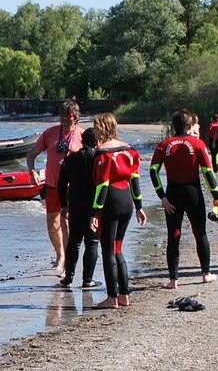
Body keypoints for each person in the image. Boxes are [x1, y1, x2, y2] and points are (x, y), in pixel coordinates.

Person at [149, 110, 218, 288]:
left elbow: (153, 171)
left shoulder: (164, 144)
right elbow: (208, 173)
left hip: (172, 194)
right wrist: (216, 197)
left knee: (174, 235)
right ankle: (205, 274)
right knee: (200, 233)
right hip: (193, 193)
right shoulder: (197, 144)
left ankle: (173, 280)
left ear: (174, 126)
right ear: (190, 126)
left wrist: (162, 197)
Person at [90, 114, 146, 309]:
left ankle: (111, 298)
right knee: (118, 249)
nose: (94, 130)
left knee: (108, 251)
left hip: (110, 203)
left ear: (103, 128)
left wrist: (96, 213)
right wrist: (139, 207)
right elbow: (135, 180)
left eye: (96, 127)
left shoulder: (102, 153)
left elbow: (102, 185)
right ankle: (124, 295)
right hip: (127, 203)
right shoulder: (129, 150)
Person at [25, 101, 83, 274]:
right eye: (62, 117)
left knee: (66, 223)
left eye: (69, 118)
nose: (65, 121)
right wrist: (32, 172)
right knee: (52, 225)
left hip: (73, 188)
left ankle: (67, 262)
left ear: (76, 117)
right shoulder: (50, 133)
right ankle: (60, 255)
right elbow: (31, 155)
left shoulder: (81, 135)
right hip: (52, 186)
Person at [54, 129, 101, 289]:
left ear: (82, 140)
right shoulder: (99, 158)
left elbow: (61, 184)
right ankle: (88, 279)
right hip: (94, 205)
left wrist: (63, 205)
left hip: (75, 204)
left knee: (74, 241)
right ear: (97, 141)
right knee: (92, 242)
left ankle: (68, 277)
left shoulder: (70, 159)